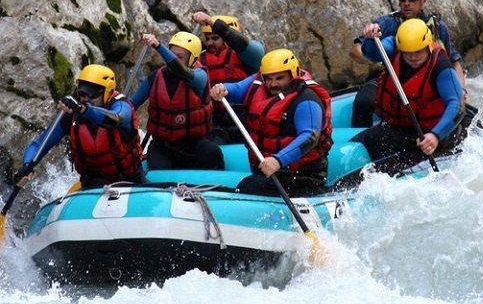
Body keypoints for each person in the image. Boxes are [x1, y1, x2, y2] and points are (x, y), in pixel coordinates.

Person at [210, 48, 333, 196]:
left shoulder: (306, 100)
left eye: (279, 78)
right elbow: (236, 89)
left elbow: (310, 136)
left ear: (292, 75)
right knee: (251, 184)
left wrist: (278, 160)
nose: (273, 84)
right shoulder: (258, 83)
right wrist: (222, 88)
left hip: (303, 175)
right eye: (269, 78)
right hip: (268, 171)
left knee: (248, 186)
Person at [353, 18, 466, 174]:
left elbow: (457, 104)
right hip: (404, 129)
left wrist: (435, 135)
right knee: (368, 139)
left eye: (418, 51)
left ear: (428, 45)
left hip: (431, 135)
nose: (413, 57)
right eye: (408, 53)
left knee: (376, 144)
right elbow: (372, 52)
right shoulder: (395, 46)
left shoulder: (441, 67)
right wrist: (371, 39)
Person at [351, 0, 466, 127]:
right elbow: (355, 50)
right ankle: (360, 141)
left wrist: (462, 91)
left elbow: (454, 62)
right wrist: (375, 56)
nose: (406, 3)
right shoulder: (386, 23)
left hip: (427, 80)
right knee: (363, 101)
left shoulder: (438, 27)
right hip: (387, 76)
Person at [17, 64, 144, 189]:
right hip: (93, 183)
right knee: (96, 184)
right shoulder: (71, 116)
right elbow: (38, 145)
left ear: (107, 92)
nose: (87, 99)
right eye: (83, 94)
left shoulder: (121, 106)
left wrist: (83, 109)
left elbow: (116, 118)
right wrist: (27, 165)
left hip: (130, 180)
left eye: (93, 95)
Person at [130, 31, 224, 170]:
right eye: (172, 54)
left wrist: (158, 46)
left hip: (193, 144)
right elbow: (131, 105)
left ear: (193, 59)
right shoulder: (155, 77)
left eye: (179, 56)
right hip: (162, 146)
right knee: (156, 165)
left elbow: (183, 72)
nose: (173, 60)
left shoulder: (200, 76)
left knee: (212, 153)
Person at [190, 12, 266, 144]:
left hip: (246, 119)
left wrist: (212, 22)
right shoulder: (199, 60)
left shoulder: (249, 55)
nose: (210, 43)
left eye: (215, 38)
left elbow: (244, 45)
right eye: (207, 39)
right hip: (217, 123)